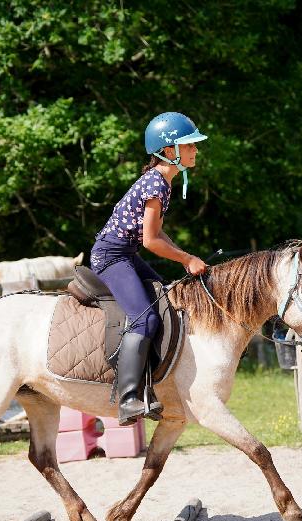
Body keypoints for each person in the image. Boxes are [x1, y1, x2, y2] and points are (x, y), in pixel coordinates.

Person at [90, 111, 209, 425]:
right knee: (145, 318)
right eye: (190, 145)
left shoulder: (162, 182)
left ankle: (150, 385)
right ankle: (129, 398)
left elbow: (155, 233)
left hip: (125, 254)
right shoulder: (156, 184)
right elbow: (151, 241)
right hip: (112, 256)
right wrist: (186, 259)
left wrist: (186, 254)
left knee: (165, 302)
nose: (196, 150)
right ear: (170, 151)